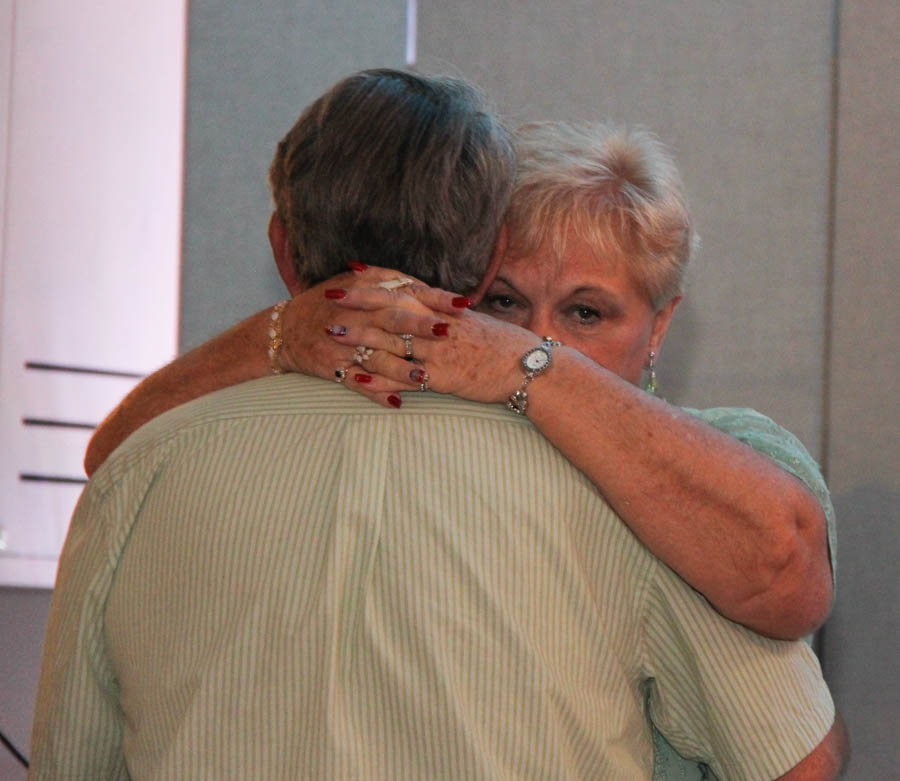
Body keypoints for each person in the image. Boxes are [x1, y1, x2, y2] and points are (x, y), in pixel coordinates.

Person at [32, 69, 842, 779]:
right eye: (505, 306)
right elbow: (114, 455)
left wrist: (525, 370)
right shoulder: (161, 463)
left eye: (587, 311)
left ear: (660, 326)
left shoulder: (658, 489)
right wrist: (282, 334)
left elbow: (788, 597)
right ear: (481, 268)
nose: (538, 337)